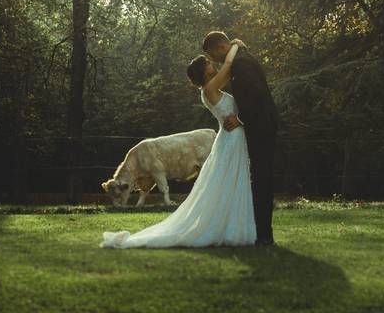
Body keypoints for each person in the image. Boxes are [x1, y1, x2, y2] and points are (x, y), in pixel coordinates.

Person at [100, 39, 256, 248]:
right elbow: (228, 67)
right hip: (231, 138)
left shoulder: (210, 87)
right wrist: (236, 46)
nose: (213, 63)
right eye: (209, 64)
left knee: (231, 182)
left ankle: (234, 225)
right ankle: (227, 228)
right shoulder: (210, 88)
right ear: (204, 73)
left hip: (231, 137)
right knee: (229, 181)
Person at [203, 31, 279, 246]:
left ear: (221, 48)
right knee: (259, 177)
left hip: (261, 126)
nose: (215, 61)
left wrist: (240, 118)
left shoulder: (242, 63)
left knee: (262, 178)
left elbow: (256, 95)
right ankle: (260, 231)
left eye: (213, 55)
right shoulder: (240, 59)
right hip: (260, 125)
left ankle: (264, 234)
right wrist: (238, 46)